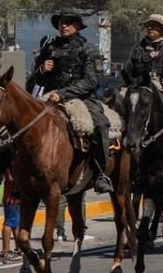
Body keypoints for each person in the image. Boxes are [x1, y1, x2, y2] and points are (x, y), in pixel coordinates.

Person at [30, 10, 112, 193]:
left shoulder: (88, 49)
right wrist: (42, 70)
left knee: (100, 125)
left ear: (77, 26)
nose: (63, 25)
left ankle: (101, 173)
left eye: (68, 22)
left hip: (81, 99)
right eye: (60, 22)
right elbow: (38, 81)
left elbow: (90, 81)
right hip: (50, 97)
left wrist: (63, 94)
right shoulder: (50, 48)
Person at [125, 14, 163, 84]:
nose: (149, 28)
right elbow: (128, 68)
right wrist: (125, 84)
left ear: (162, 29)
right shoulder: (139, 47)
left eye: (153, 25)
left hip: (160, 87)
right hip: (136, 85)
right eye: (148, 25)